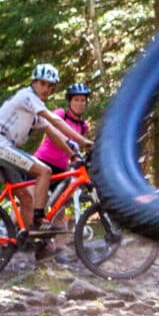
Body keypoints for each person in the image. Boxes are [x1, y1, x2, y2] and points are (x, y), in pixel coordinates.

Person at [0, 65, 86, 235]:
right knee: (44, 171)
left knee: (26, 197)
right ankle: (39, 218)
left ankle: (26, 239)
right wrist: (84, 141)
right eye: (43, 84)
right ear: (34, 82)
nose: (46, 89)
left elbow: (53, 133)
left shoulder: (33, 110)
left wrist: (72, 153)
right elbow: (55, 121)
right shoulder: (27, 97)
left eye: (50, 86)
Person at [30, 84, 93, 229]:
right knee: (32, 203)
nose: (79, 103)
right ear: (69, 102)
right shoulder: (60, 114)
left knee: (59, 207)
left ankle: (56, 246)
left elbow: (78, 149)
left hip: (61, 170)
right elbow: (52, 133)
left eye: (83, 100)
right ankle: (5, 231)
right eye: (76, 100)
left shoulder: (84, 126)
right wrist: (69, 144)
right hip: (42, 163)